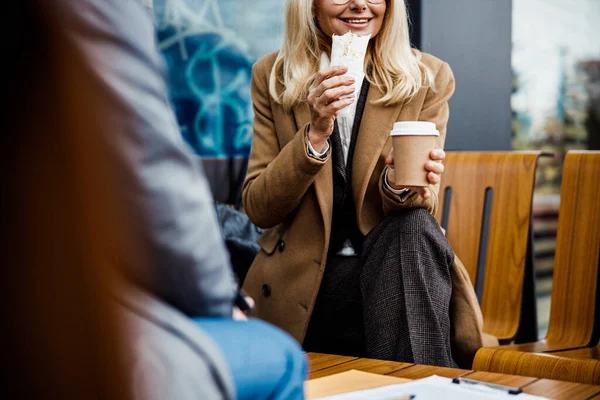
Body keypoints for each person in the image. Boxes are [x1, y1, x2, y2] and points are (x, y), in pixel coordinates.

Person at [52, 0, 307, 398]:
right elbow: (150, 168)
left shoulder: (428, 78)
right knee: (281, 356)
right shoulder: (270, 76)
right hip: (76, 325)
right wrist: (220, 302)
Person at [242, 0, 485, 367]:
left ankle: (416, 387)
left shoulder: (427, 77)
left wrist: (401, 184)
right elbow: (260, 208)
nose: (360, 4)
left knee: (415, 225)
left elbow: (422, 201)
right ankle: (425, 386)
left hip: (397, 272)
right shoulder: (273, 75)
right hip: (306, 288)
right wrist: (315, 135)